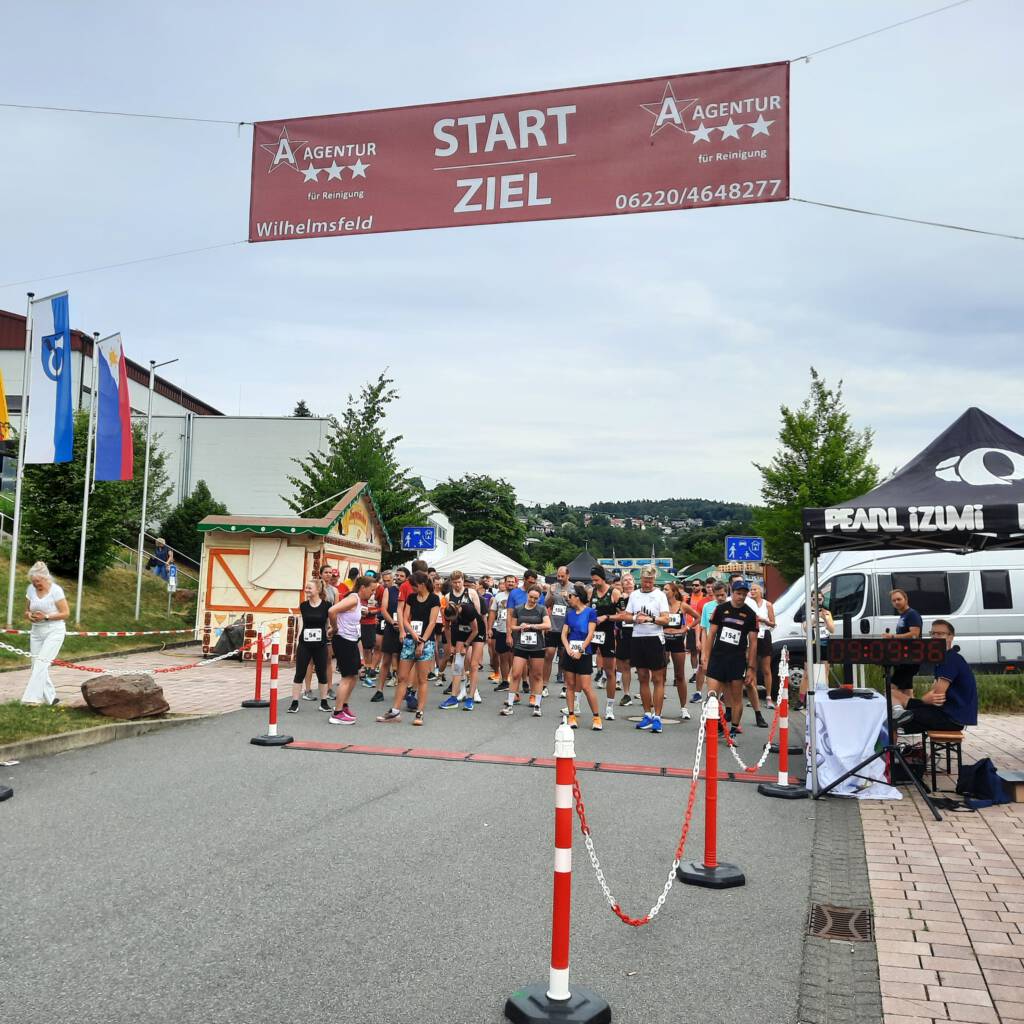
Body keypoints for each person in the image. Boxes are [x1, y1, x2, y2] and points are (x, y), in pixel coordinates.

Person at [376, 571, 440, 726]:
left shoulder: (434, 599)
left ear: (422, 584)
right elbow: (405, 618)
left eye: (414, 585)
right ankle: (395, 711)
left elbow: (432, 622)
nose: (413, 588)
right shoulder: (411, 597)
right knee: (402, 677)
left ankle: (420, 712)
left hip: (426, 642)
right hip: (411, 639)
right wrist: (412, 633)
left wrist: (422, 641)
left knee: (422, 679)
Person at [891, 620, 978, 732]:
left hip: (951, 717)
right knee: (891, 694)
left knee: (891, 721)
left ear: (950, 637)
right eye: (933, 633)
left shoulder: (950, 659)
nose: (935, 637)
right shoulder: (943, 658)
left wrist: (923, 701)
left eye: (940, 634)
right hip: (942, 712)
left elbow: (937, 697)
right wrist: (924, 700)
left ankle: (899, 722)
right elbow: (934, 693)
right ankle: (900, 714)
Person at [704, 580, 759, 737]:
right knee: (712, 696)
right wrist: (706, 657)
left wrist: (751, 668)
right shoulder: (721, 609)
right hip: (718, 657)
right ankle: (715, 725)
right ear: (732, 593)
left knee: (736, 698)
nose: (741, 597)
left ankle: (734, 729)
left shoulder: (750, 614)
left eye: (744, 594)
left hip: (737, 660)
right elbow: (711, 634)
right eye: (738, 593)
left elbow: (753, 643)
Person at [627, 565, 671, 734]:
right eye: (645, 580)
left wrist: (650, 619)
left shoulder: (660, 595)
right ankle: (647, 714)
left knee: (658, 679)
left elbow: (666, 619)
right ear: (641, 579)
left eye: (650, 581)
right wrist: (634, 617)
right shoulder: (634, 595)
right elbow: (626, 615)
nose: (647, 584)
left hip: (655, 638)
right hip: (638, 637)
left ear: (654, 580)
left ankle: (657, 717)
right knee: (643, 677)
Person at [327, 575, 376, 725]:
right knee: (347, 677)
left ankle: (344, 705)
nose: (372, 593)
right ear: (363, 588)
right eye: (371, 590)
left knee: (354, 675)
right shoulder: (353, 598)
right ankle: (337, 713)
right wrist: (334, 628)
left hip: (351, 640)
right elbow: (332, 610)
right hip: (343, 639)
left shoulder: (358, 601)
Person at [20, 562, 69, 706]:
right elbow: (26, 610)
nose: (36, 585)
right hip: (36, 631)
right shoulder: (30, 589)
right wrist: (29, 616)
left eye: (38, 581)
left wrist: (46, 616)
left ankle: (31, 699)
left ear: (46, 578)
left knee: (42, 663)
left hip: (54, 630)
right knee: (35, 664)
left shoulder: (56, 591)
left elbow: (65, 613)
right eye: (33, 582)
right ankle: (51, 698)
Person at [502, 584, 551, 716]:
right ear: (527, 595)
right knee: (516, 674)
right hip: (521, 645)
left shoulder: (541, 609)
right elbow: (512, 626)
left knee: (537, 675)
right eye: (531, 597)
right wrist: (521, 627)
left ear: (539, 598)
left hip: (537, 646)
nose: (532, 600)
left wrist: (532, 626)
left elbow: (548, 625)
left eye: (536, 598)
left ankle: (537, 706)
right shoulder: (518, 608)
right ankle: (509, 705)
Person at [287, 579, 332, 714]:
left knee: (321, 673)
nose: (306, 590)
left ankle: (324, 702)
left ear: (318, 590)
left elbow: (329, 623)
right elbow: (301, 624)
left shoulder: (327, 605)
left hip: (320, 644)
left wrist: (331, 631)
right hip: (305, 644)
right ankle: (294, 703)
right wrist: (297, 641)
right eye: (306, 588)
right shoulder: (303, 606)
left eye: (309, 588)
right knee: (299, 672)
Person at [439, 571, 483, 709]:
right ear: (451, 583)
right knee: (458, 664)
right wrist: (451, 645)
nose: (457, 585)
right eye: (454, 582)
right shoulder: (447, 597)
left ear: (463, 581)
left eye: (459, 582)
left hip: (476, 629)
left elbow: (478, 616)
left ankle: (471, 696)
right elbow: (447, 626)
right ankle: (454, 696)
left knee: (474, 664)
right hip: (460, 629)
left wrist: (466, 644)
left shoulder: (471, 593)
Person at [561, 583, 602, 730]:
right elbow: (564, 634)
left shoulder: (590, 612)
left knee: (586, 686)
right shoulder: (569, 613)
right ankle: (571, 715)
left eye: (570, 596)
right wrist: (568, 649)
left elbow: (590, 633)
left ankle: (596, 717)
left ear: (577, 597)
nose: (568, 599)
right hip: (570, 652)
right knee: (570, 685)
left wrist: (581, 650)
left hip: (584, 652)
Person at [663, 582, 701, 720]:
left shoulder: (682, 605)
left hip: (677, 640)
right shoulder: (661, 605)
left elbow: (697, 617)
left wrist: (687, 628)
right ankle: (657, 708)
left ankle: (684, 708)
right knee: (660, 675)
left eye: (666, 589)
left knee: (679, 675)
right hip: (663, 639)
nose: (664, 591)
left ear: (674, 592)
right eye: (663, 589)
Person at [795, 590, 835, 710]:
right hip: (812, 644)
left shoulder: (827, 612)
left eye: (819, 599)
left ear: (823, 600)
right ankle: (801, 700)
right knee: (807, 673)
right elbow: (806, 628)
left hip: (824, 643)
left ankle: (824, 698)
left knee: (825, 672)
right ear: (811, 600)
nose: (817, 601)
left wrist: (825, 619)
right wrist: (815, 617)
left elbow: (832, 629)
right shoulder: (807, 612)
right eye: (814, 599)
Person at [589, 566, 620, 710]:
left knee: (609, 671)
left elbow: (623, 615)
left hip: (607, 634)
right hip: (591, 633)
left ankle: (609, 707)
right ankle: (576, 704)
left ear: (603, 578)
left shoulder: (614, 592)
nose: (594, 583)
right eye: (592, 580)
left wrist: (606, 617)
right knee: (581, 668)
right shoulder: (591, 592)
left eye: (596, 580)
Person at [544, 566, 573, 702]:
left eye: (562, 576)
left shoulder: (573, 588)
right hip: (553, 626)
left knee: (564, 655)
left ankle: (565, 687)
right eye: (558, 576)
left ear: (568, 575)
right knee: (548, 654)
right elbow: (547, 604)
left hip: (567, 627)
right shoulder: (553, 587)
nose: (560, 578)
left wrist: (568, 598)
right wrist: (551, 593)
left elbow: (578, 606)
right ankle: (544, 685)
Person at [371, 570, 401, 703]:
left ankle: (403, 690)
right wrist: (392, 622)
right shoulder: (388, 591)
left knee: (402, 661)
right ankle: (379, 690)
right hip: (390, 626)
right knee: (386, 660)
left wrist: (402, 624)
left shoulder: (408, 590)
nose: (386, 583)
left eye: (389, 580)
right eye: (384, 581)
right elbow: (383, 609)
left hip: (403, 627)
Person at [746, 582, 775, 717]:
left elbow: (773, 623)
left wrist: (763, 620)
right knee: (752, 666)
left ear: (761, 591)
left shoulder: (767, 604)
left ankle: (768, 697)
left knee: (766, 668)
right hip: (752, 635)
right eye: (751, 589)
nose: (752, 591)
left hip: (764, 634)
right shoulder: (748, 604)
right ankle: (754, 695)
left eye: (755, 589)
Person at [889, 588, 923, 693]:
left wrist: (893, 637)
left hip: (910, 660)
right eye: (894, 600)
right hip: (904, 659)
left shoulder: (912, 614)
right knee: (907, 691)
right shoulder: (904, 615)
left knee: (890, 689)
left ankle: (891, 704)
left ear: (906, 599)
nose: (896, 602)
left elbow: (914, 634)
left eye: (899, 599)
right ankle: (911, 704)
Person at [612, 572, 636, 708]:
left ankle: (646, 693)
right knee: (625, 664)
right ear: (621, 584)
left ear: (634, 582)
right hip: (624, 632)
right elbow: (617, 614)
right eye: (625, 580)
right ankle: (627, 694)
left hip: (640, 632)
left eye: (630, 580)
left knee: (643, 666)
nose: (628, 582)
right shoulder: (619, 598)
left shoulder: (640, 596)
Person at [489, 576, 513, 691]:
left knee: (513, 657)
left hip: (515, 630)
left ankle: (514, 679)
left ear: (516, 583)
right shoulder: (498, 596)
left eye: (512, 582)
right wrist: (489, 628)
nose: (510, 583)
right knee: (503, 657)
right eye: (508, 582)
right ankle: (504, 681)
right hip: (501, 629)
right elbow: (492, 612)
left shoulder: (519, 595)